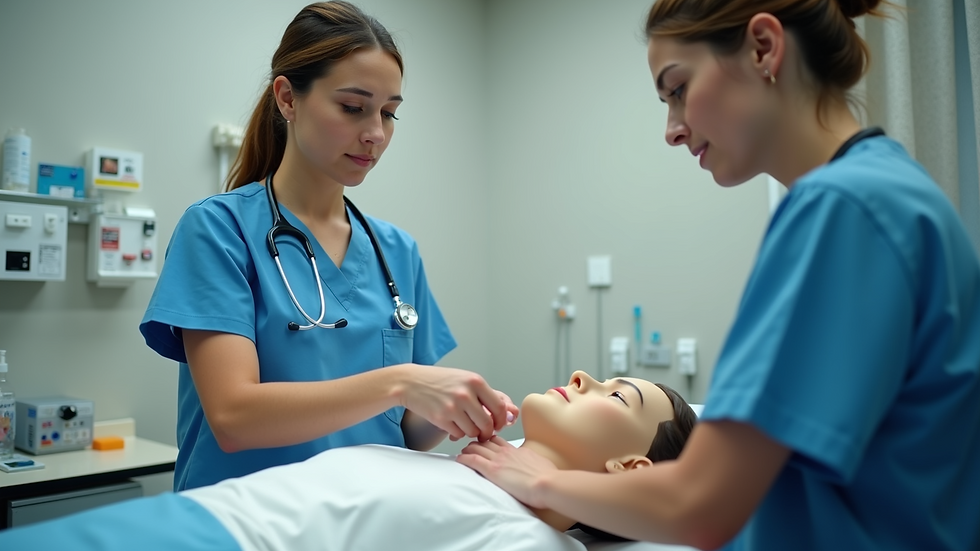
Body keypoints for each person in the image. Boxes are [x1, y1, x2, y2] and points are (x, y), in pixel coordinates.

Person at [457, 1, 980, 550]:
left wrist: (539, 479)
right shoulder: (892, 192)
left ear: (763, 48)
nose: (672, 131)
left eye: (678, 89)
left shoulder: (844, 208)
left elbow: (702, 504)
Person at [139, 1, 517, 492]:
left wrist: (457, 409)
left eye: (389, 113)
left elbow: (405, 428)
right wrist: (401, 382)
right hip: (247, 524)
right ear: (287, 99)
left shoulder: (396, 251)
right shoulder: (218, 230)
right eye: (353, 107)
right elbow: (234, 418)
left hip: (363, 521)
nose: (375, 134)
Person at [0, 372, 697, 551]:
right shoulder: (474, 470)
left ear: (631, 468)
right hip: (192, 518)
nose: (583, 375)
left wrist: (545, 486)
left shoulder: (532, 537)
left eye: (617, 392)